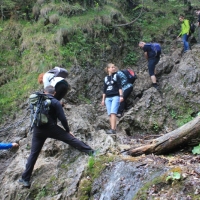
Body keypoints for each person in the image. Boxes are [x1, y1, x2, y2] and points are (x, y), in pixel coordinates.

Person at [19, 86, 95, 187]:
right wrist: (67, 130)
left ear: (44, 92)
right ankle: (91, 152)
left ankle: (25, 179)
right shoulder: (55, 102)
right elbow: (62, 118)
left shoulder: (37, 99)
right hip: (51, 128)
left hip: (37, 130)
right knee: (70, 139)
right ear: (54, 93)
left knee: (33, 154)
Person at [101, 63, 123, 134]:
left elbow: (120, 87)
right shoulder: (105, 78)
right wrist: (103, 100)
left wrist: (121, 96)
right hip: (108, 98)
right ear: (108, 69)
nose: (113, 68)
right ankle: (113, 128)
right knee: (110, 114)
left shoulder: (117, 76)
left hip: (115, 96)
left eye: (114, 67)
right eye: (112, 67)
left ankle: (112, 129)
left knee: (113, 113)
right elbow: (104, 90)